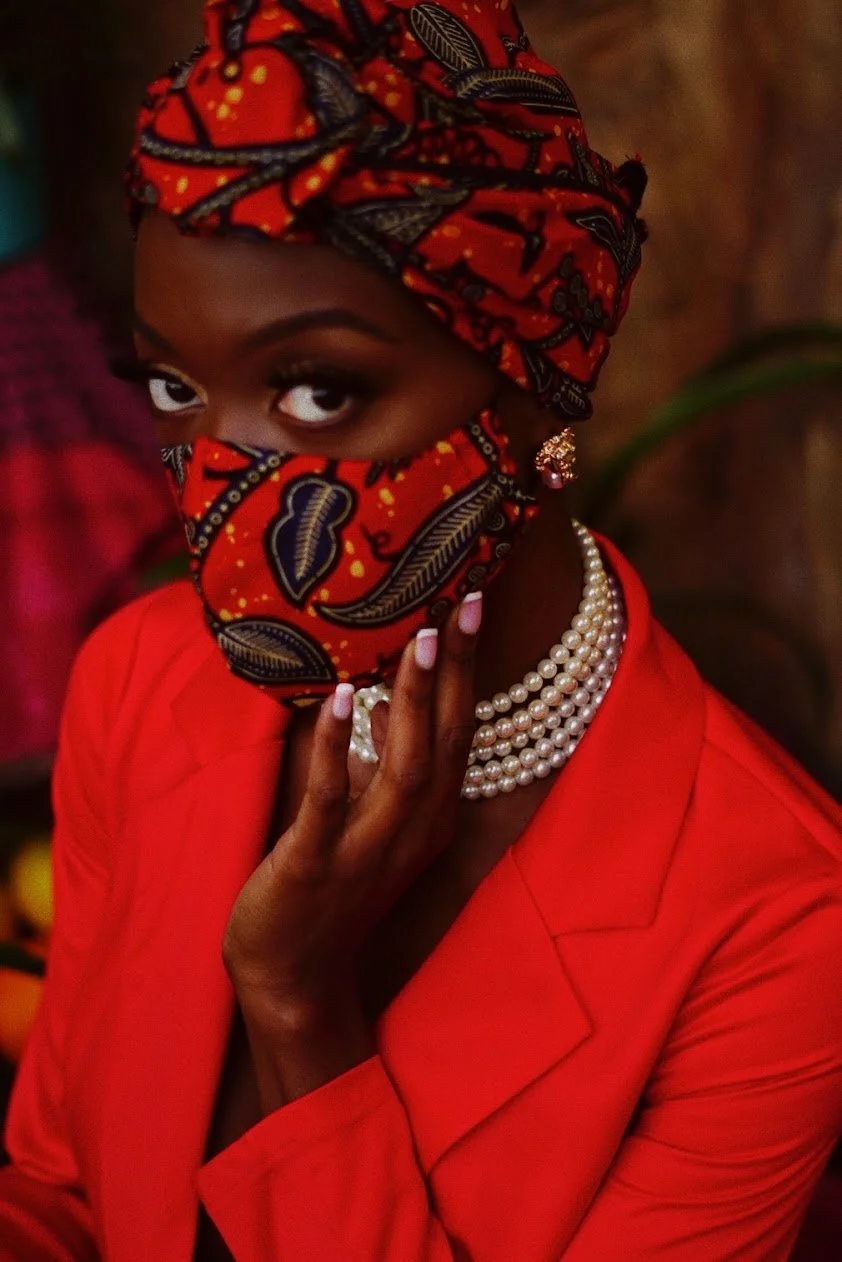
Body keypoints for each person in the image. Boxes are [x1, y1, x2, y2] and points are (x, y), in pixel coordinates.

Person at [2, 1, 841, 1258]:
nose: (221, 484)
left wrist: (298, 1004)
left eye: (316, 389)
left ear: (534, 383)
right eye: (178, 390)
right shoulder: (142, 678)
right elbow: (55, 1200)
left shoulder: (776, 927)